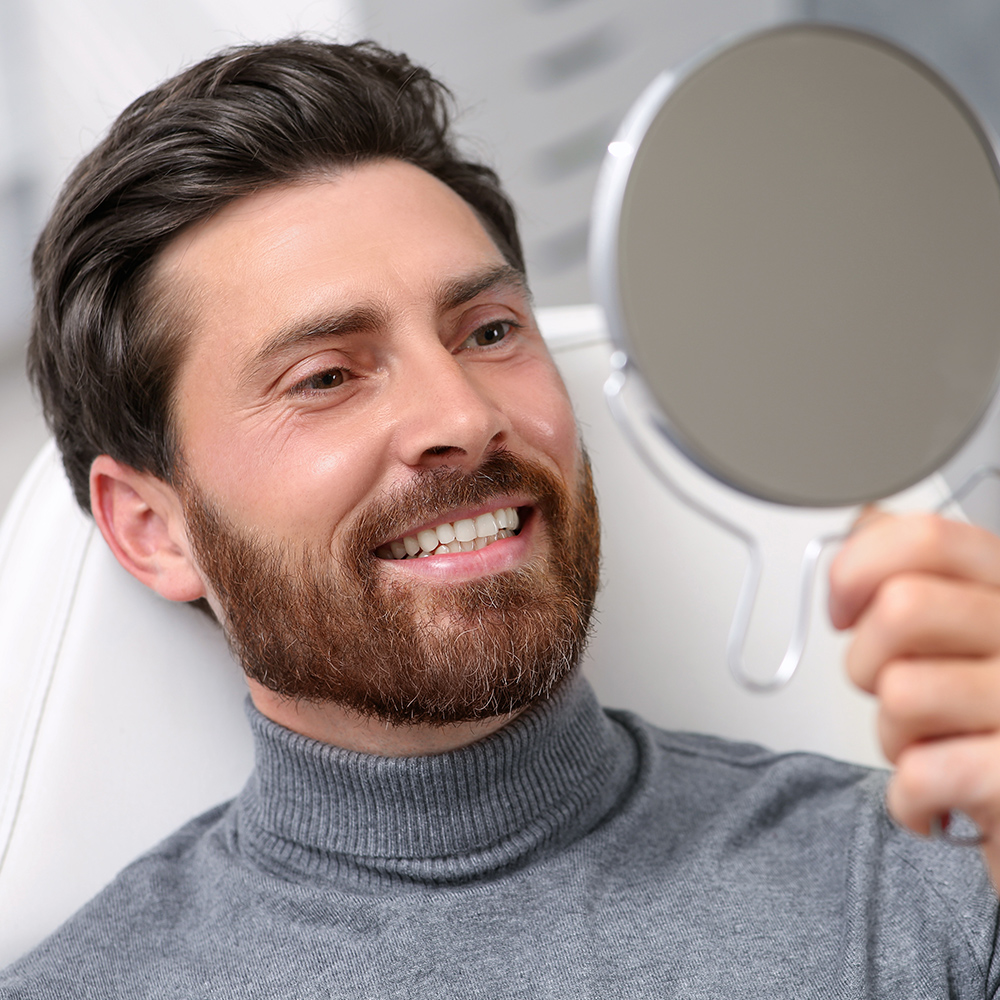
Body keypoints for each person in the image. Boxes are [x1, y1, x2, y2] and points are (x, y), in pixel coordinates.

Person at [3, 36, 1000, 998]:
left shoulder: (933, 885)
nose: (463, 418)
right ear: (150, 528)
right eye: (326, 377)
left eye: (487, 331)